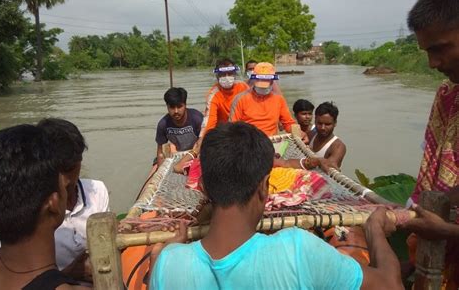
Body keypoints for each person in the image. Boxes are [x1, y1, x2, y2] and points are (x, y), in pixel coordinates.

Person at [150, 122, 403, 290]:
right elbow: (391, 286)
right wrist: (375, 231)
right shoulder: (298, 249)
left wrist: (164, 252)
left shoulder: (167, 263)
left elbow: (165, 262)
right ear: (264, 187)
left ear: (203, 186)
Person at [0, 118, 109, 283]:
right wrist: (68, 274)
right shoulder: (21, 208)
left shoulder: (97, 190)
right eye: (58, 170)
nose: (65, 180)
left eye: (71, 168)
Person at [400, 0, 459, 287]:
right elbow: (432, 176)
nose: (433, 64)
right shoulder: (448, 96)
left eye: (440, 48)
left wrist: (448, 232)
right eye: (427, 52)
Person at [229, 62, 301, 137]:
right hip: (248, 142)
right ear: (254, 79)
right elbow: (232, 127)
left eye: (266, 83)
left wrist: (300, 133)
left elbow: (288, 123)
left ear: (272, 81)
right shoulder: (240, 99)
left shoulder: (279, 99)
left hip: (271, 142)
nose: (263, 88)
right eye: (260, 84)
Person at [274, 101, 346, 171]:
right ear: (315, 121)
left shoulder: (338, 147)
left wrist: (313, 156)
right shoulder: (310, 135)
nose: (323, 128)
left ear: (335, 123)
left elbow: (329, 167)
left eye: (327, 124)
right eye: (319, 123)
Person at [200, 58, 249, 136]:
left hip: (243, 128)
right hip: (224, 131)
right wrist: (202, 138)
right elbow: (210, 120)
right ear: (217, 76)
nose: (227, 77)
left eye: (229, 73)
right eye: (223, 74)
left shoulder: (243, 87)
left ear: (234, 75)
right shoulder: (213, 93)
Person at [155, 87, 203, 165]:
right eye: (172, 107)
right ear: (167, 106)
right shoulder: (163, 124)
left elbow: (204, 143)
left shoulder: (197, 119)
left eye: (179, 107)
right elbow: (160, 152)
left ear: (185, 105)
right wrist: (159, 168)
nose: (176, 111)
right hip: (177, 155)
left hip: (196, 152)